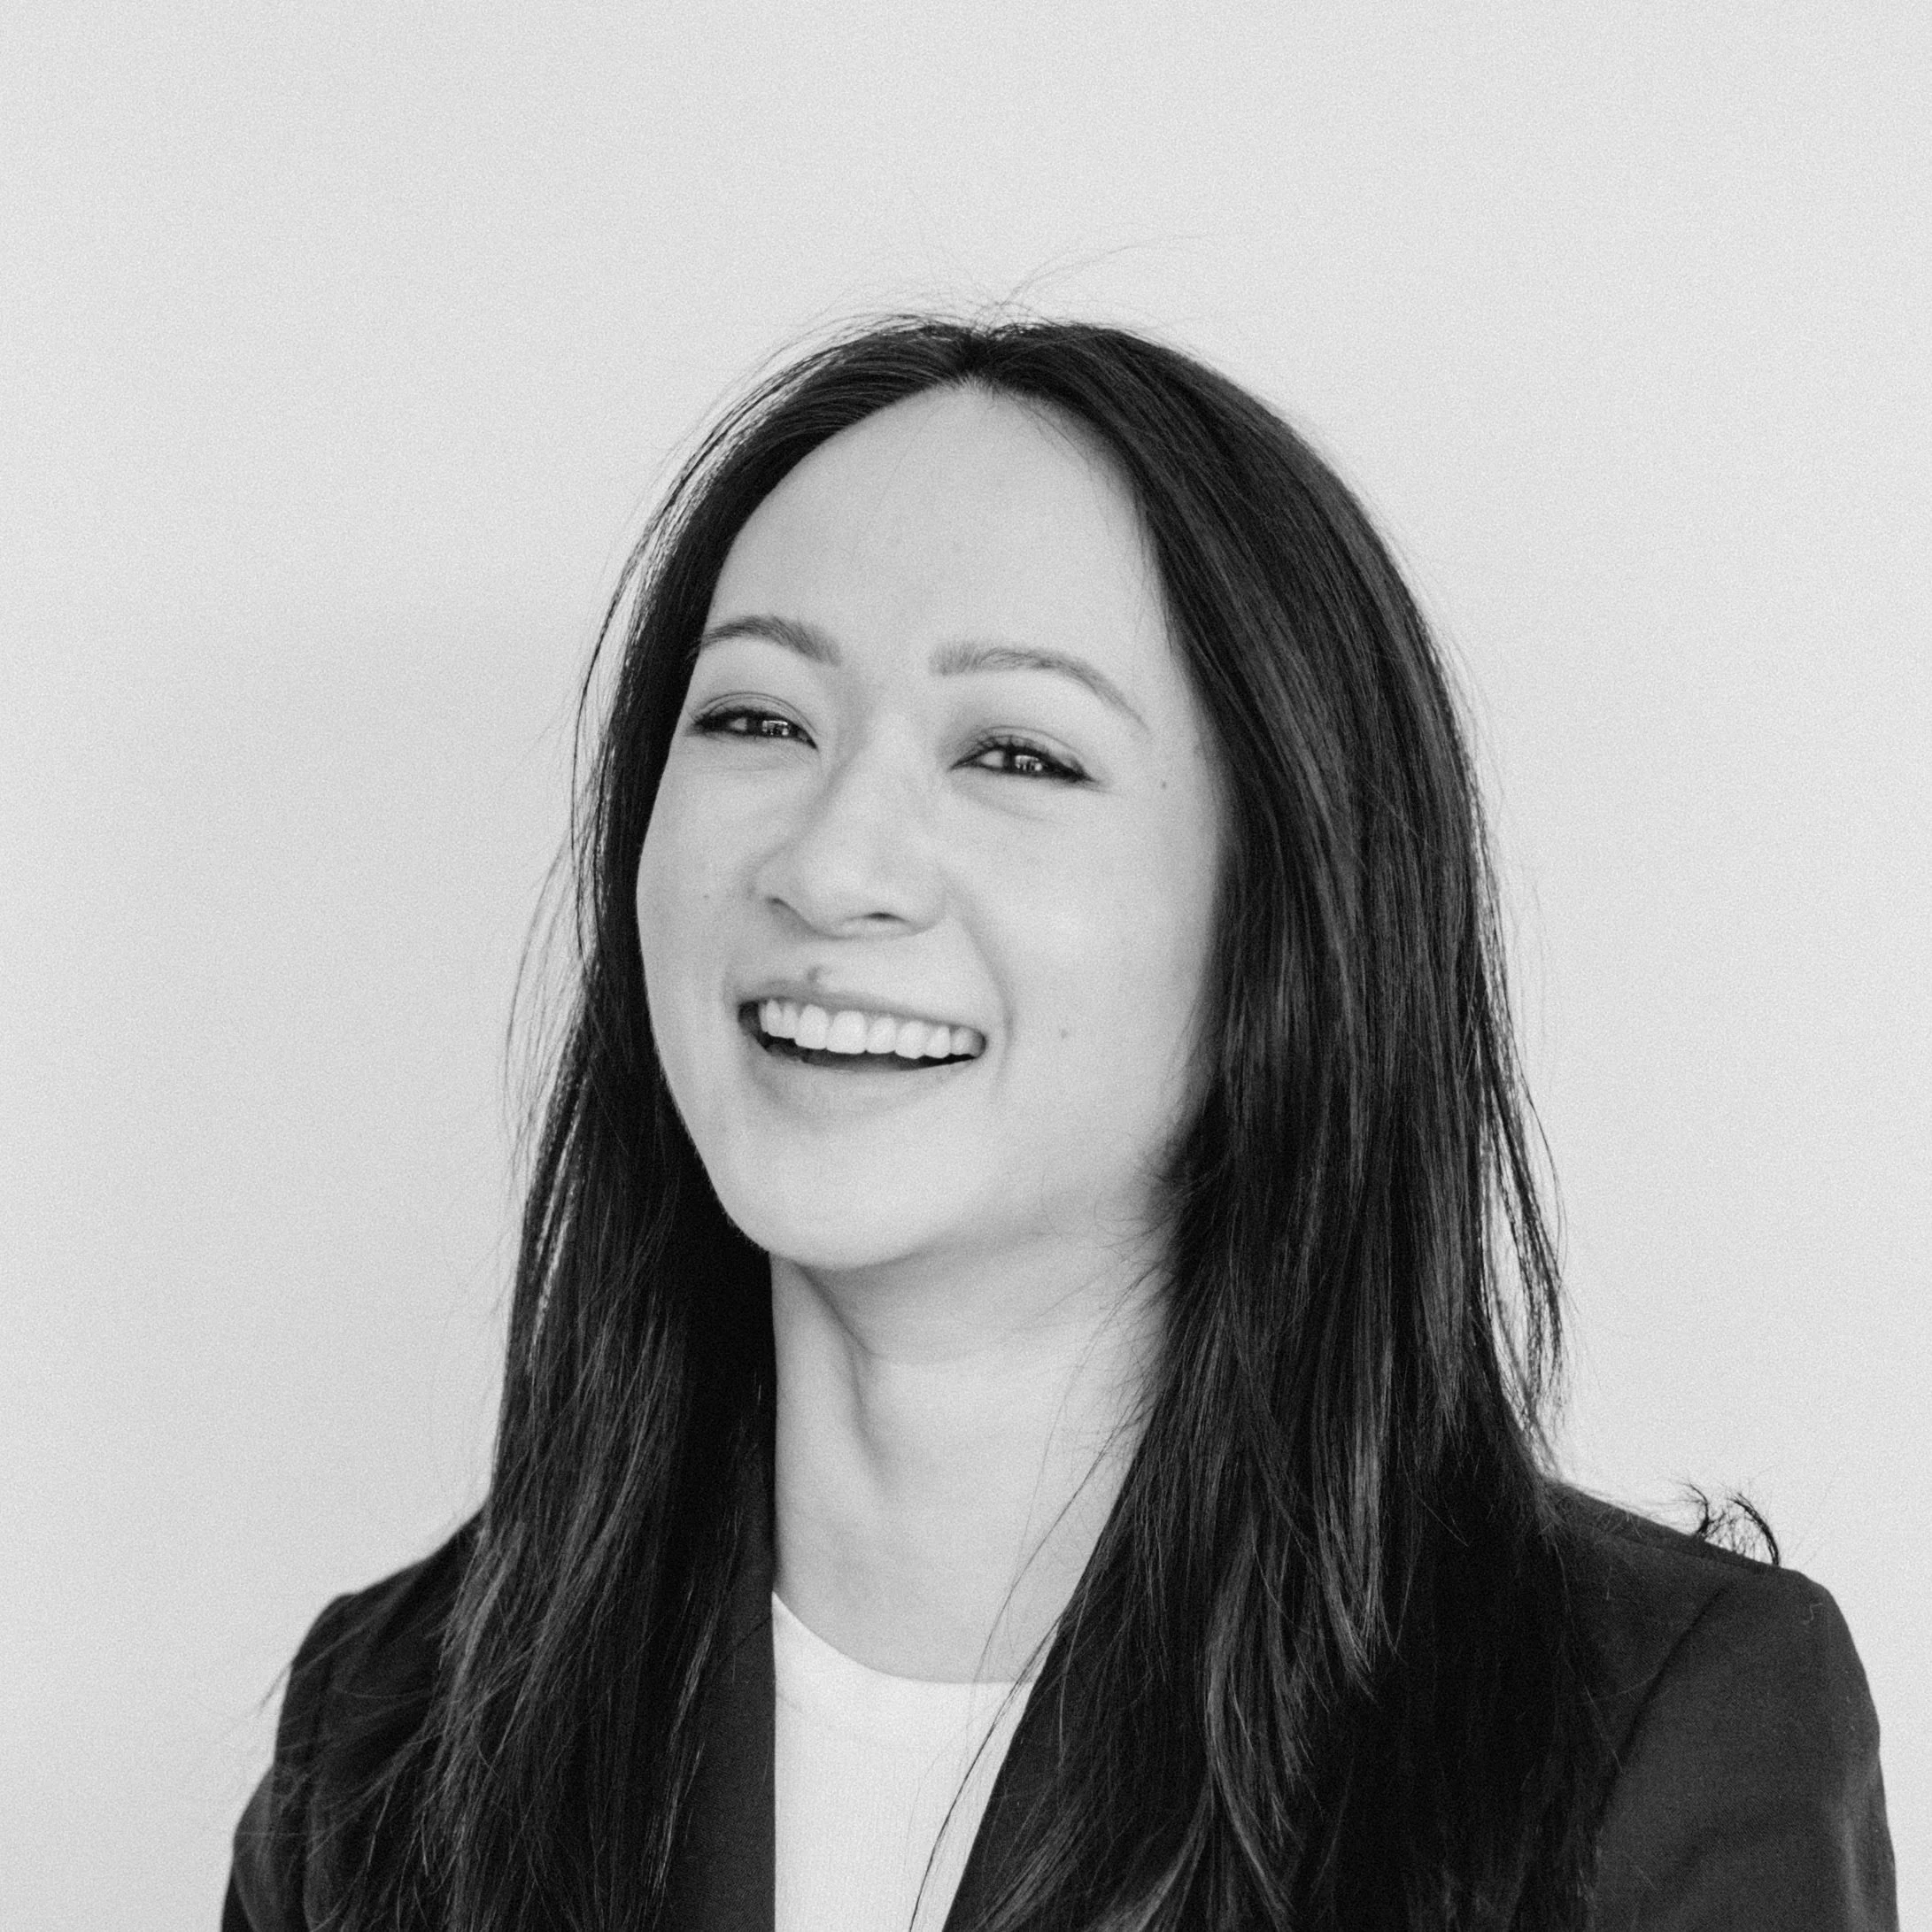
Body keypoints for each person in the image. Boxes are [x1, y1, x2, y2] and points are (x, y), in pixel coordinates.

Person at [224, 315, 1897, 1932]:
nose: (831, 864)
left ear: (1286, 915)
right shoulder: (387, 1735)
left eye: (1016, 753)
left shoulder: (1636, 1742)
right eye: (754, 719)